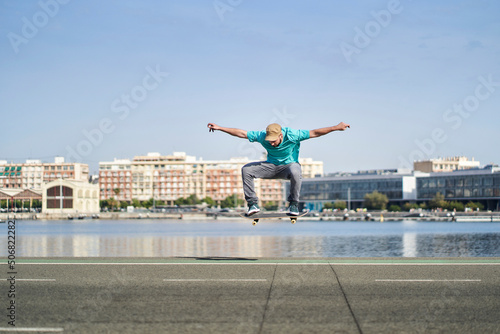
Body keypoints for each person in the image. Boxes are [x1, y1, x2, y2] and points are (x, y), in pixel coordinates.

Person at [207, 121, 350, 216]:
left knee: (296, 170)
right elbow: (242, 133)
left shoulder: (292, 135)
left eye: (274, 141)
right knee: (246, 170)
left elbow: (315, 133)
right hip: (270, 167)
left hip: (288, 167)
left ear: (280, 135)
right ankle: (252, 204)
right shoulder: (263, 136)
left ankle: (293, 204)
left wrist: (336, 127)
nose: (272, 143)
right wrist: (220, 128)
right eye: (269, 141)